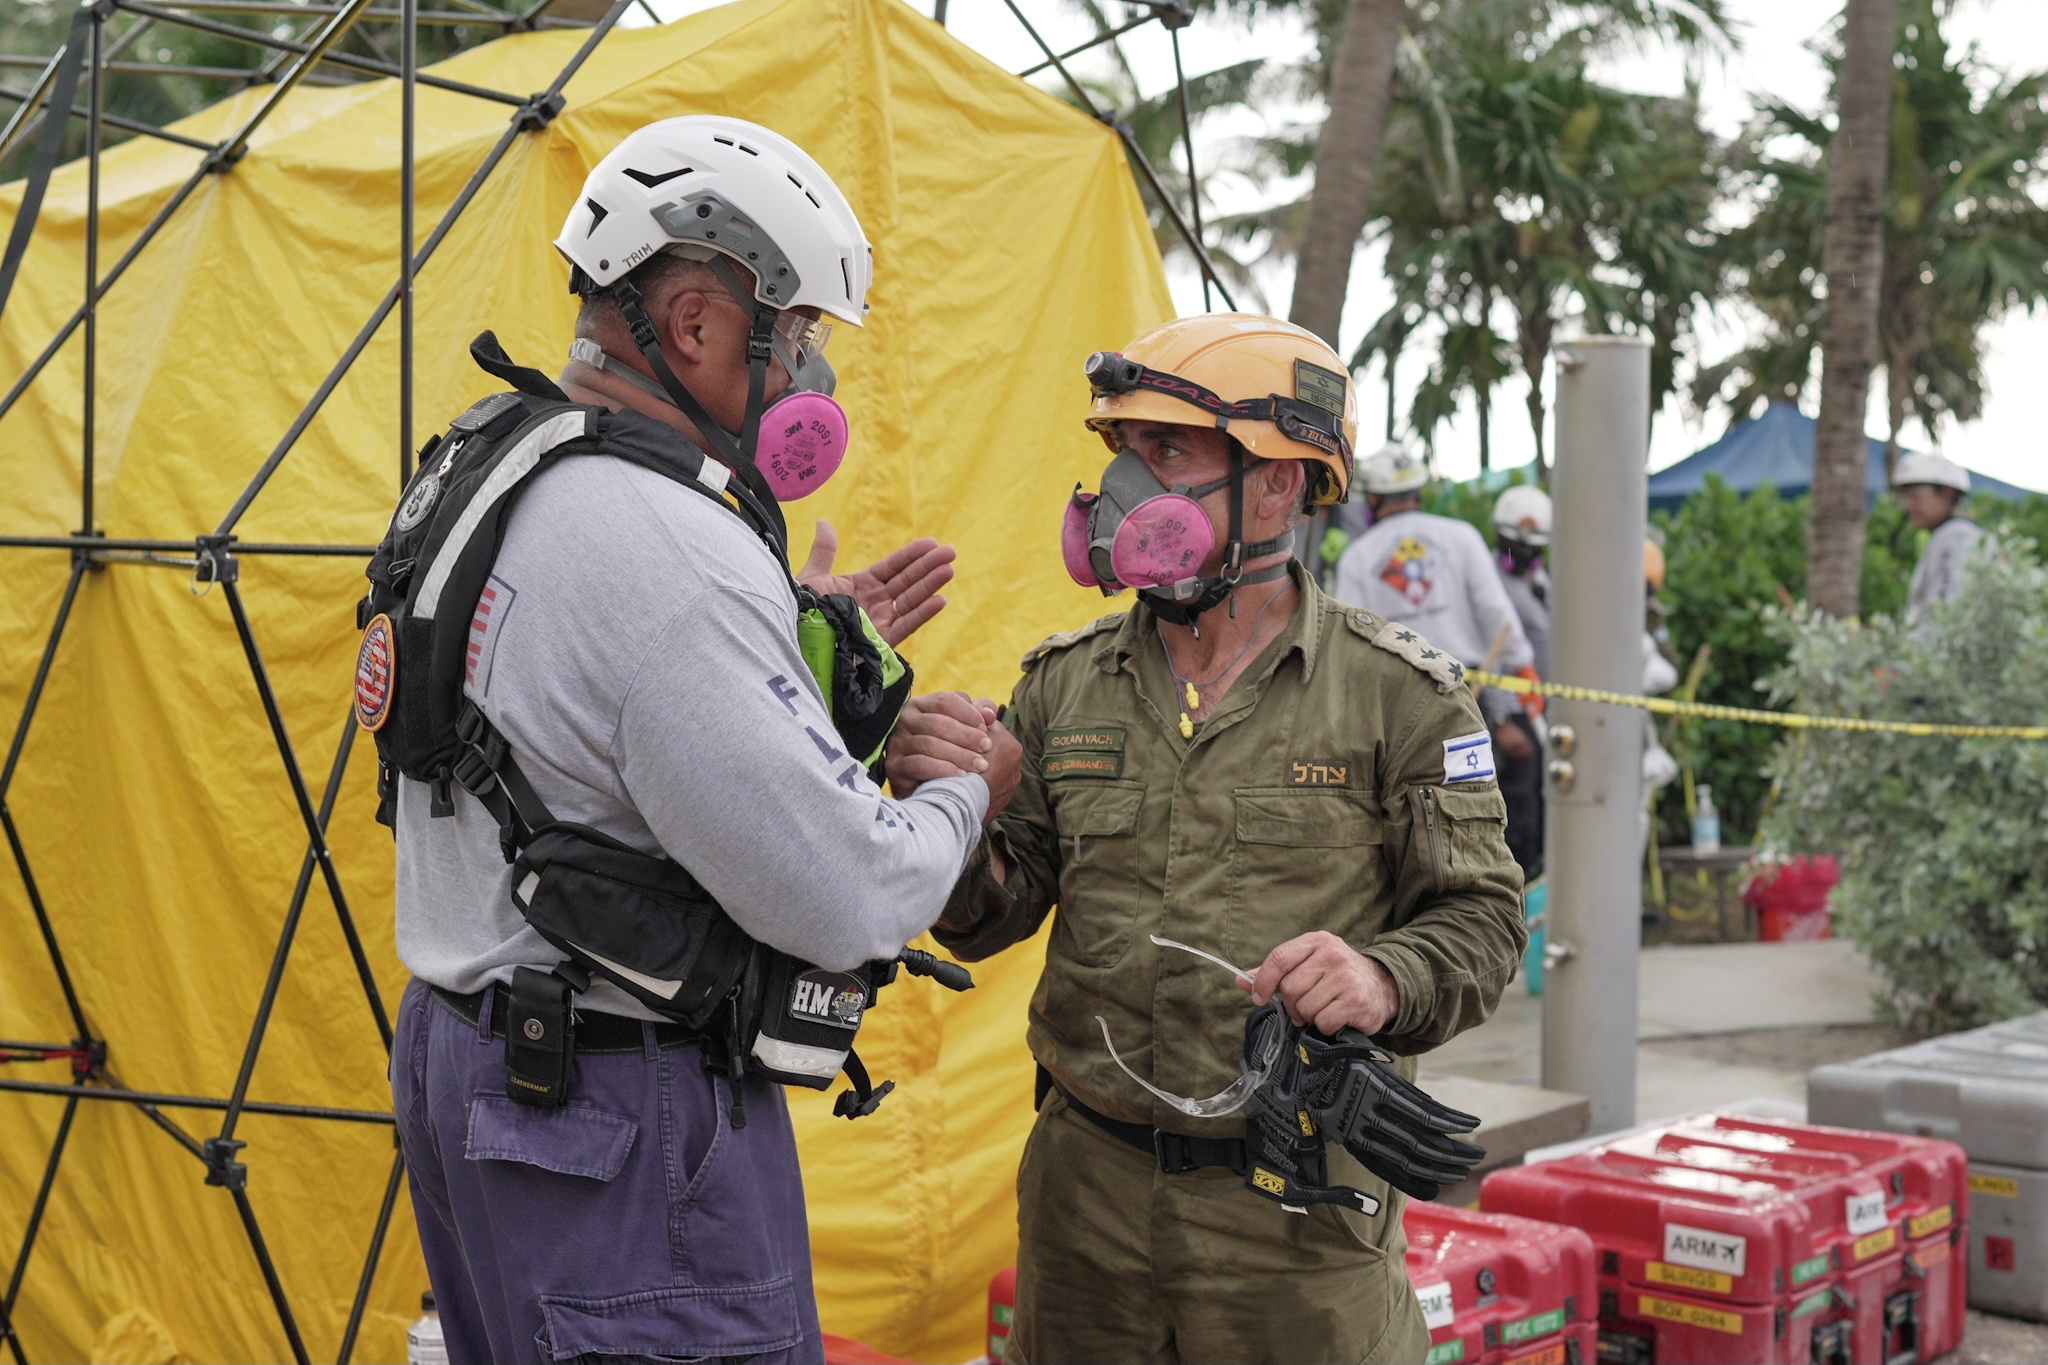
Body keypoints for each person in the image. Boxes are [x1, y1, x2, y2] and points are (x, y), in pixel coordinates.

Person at [374, 116, 1021, 1365]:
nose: (812, 382)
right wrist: (965, 797)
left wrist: (790, 667)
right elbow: (850, 898)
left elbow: (582, 751)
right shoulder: (673, 552)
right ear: (696, 325)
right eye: (801, 338)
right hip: (617, 1126)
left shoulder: (501, 467)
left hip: (473, 1067)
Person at [886, 315, 1527, 1365]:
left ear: (1276, 483)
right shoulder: (1062, 683)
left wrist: (1380, 974)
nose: (1122, 490)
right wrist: (944, 814)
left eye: (1167, 452)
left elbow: (1483, 923)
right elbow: (989, 918)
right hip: (1083, 1208)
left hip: (1297, 1225)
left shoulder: (1397, 698)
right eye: (1122, 453)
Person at [1490, 484, 1551, 878]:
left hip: (1542, 711)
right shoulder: (1490, 583)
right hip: (1511, 714)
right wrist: (1501, 721)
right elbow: (1489, 650)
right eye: (1514, 545)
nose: (1522, 555)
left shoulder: (1540, 583)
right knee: (1516, 811)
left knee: (1542, 807)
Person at [1893, 451, 1985, 620]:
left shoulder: (1956, 538)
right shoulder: (1952, 535)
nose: (1909, 506)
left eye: (1915, 496)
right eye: (1906, 497)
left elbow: (1945, 616)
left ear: (1947, 494)